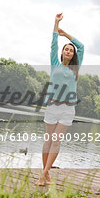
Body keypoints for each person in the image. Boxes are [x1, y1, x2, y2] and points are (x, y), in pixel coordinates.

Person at [36, 13, 84, 186]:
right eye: (66, 49)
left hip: (67, 109)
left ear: (73, 55)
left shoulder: (75, 68)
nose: (69, 51)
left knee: (56, 140)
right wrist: (56, 24)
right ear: (63, 52)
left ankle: (43, 174)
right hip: (53, 106)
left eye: (71, 50)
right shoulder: (54, 63)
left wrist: (67, 34)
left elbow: (82, 46)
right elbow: (53, 44)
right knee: (48, 140)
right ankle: (45, 173)